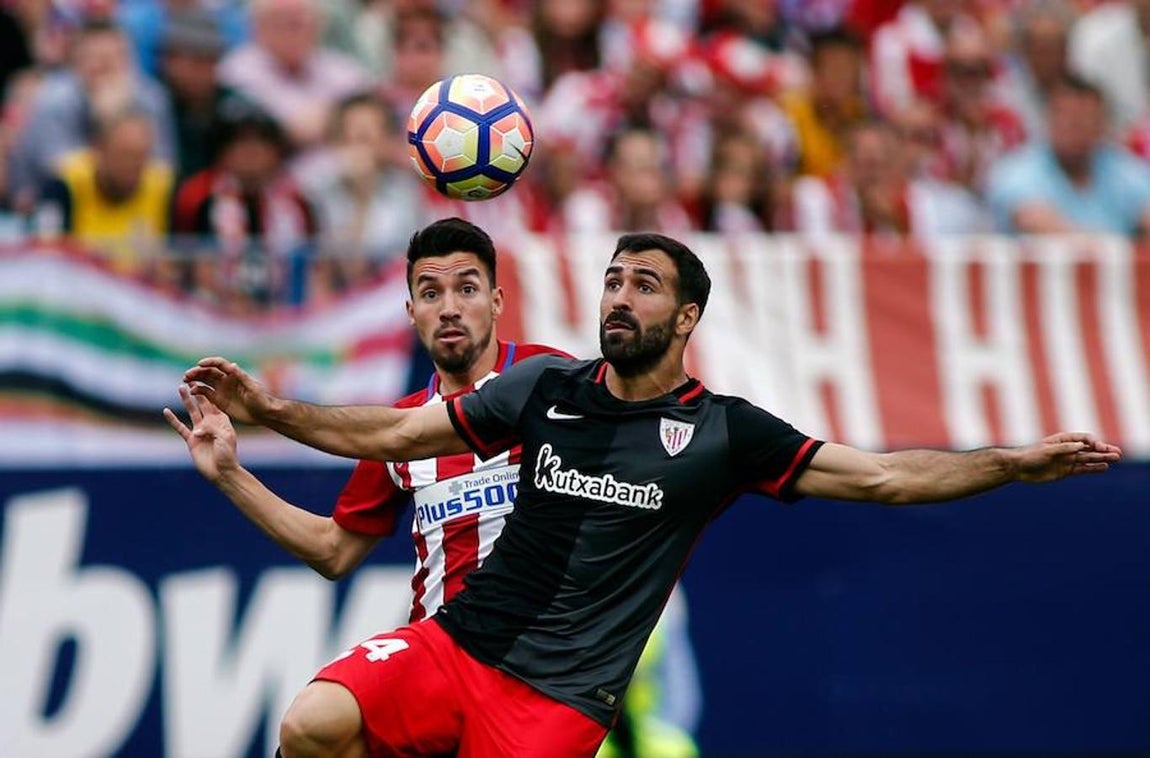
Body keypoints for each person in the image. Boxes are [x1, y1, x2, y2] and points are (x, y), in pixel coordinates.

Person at [169, 230, 1122, 757]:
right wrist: (264, 410)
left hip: (559, 702)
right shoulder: (545, 389)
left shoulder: (725, 432)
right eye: (613, 281)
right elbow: (390, 435)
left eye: (646, 286)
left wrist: (1009, 461)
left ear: (688, 315)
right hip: (456, 643)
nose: (620, 298)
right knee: (309, 725)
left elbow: (881, 476)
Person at [168, 216, 565, 624]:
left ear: (497, 301)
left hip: (544, 647)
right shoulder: (392, 431)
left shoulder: (549, 378)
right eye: (431, 294)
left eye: (467, 289)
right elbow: (333, 551)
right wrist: (229, 474)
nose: (449, 309)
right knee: (321, 692)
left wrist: (270, 410)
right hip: (441, 651)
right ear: (411, 312)